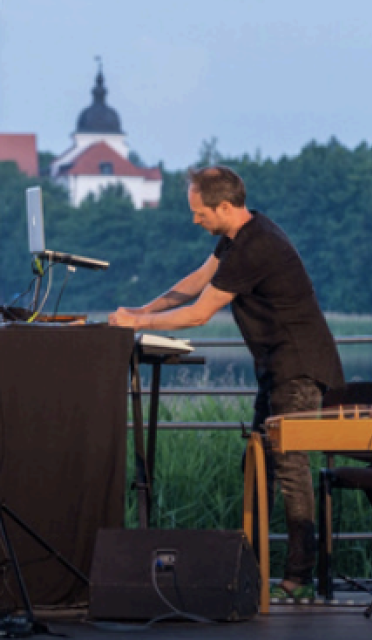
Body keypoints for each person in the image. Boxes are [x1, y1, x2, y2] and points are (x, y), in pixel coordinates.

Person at [108, 165, 343, 600]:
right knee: (257, 467)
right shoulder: (239, 237)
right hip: (276, 369)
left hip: (299, 369)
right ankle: (251, 571)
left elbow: (199, 313)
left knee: (289, 470)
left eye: (199, 212)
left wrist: (138, 321)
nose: (194, 219)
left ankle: (299, 579)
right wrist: (139, 311)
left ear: (224, 206)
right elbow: (196, 283)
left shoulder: (258, 247)